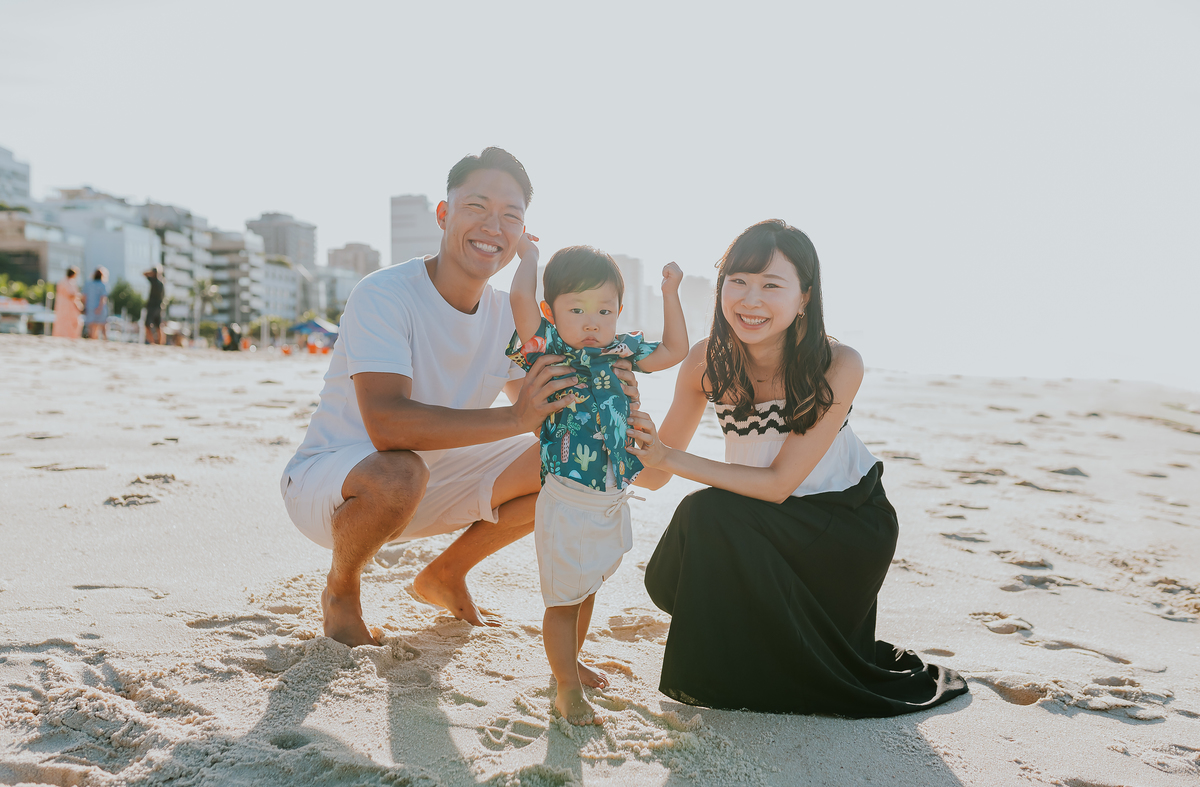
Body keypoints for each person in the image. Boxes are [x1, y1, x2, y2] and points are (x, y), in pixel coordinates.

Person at [280, 147, 641, 648]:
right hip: (339, 484)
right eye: (477, 207)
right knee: (400, 471)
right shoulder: (385, 293)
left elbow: (551, 415)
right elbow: (387, 427)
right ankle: (341, 592)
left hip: (435, 480)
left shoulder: (503, 316)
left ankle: (444, 574)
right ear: (444, 214)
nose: (494, 225)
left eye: (510, 215)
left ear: (522, 235)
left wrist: (614, 402)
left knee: (568, 463)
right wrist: (518, 415)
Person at [627, 220, 968, 717]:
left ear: (804, 297)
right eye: (738, 281)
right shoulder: (706, 361)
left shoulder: (838, 362)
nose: (750, 299)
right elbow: (656, 473)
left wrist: (669, 457)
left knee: (707, 514)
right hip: (765, 524)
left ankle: (738, 678)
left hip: (843, 527)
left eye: (771, 285)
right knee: (672, 570)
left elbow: (778, 484)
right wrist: (619, 432)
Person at [506, 242, 688, 724]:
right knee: (563, 600)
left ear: (619, 312)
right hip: (567, 500)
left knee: (587, 590)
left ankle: (573, 662)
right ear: (552, 312)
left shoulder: (620, 350)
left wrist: (670, 291)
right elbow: (520, 302)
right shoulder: (552, 349)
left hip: (610, 497)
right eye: (577, 308)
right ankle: (565, 685)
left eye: (604, 310)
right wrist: (528, 259)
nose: (592, 322)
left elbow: (675, 350)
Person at [53, 267, 83, 339]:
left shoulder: (62, 281)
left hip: (62, 305)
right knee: (71, 321)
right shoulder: (69, 282)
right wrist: (79, 296)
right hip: (68, 306)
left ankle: (63, 335)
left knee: (63, 321)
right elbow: (71, 295)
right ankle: (70, 336)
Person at [83, 267, 109, 340]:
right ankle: (105, 340)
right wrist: (100, 308)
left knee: (92, 327)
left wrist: (84, 307)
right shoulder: (103, 285)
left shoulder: (88, 284)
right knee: (103, 326)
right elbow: (103, 298)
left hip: (90, 307)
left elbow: (84, 297)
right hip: (99, 308)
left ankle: (93, 339)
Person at [144, 265, 165, 344]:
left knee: (147, 325)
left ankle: (151, 341)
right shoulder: (162, 282)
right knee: (158, 326)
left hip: (152, 306)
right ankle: (160, 342)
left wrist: (151, 272)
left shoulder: (154, 281)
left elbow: (144, 274)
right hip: (159, 307)